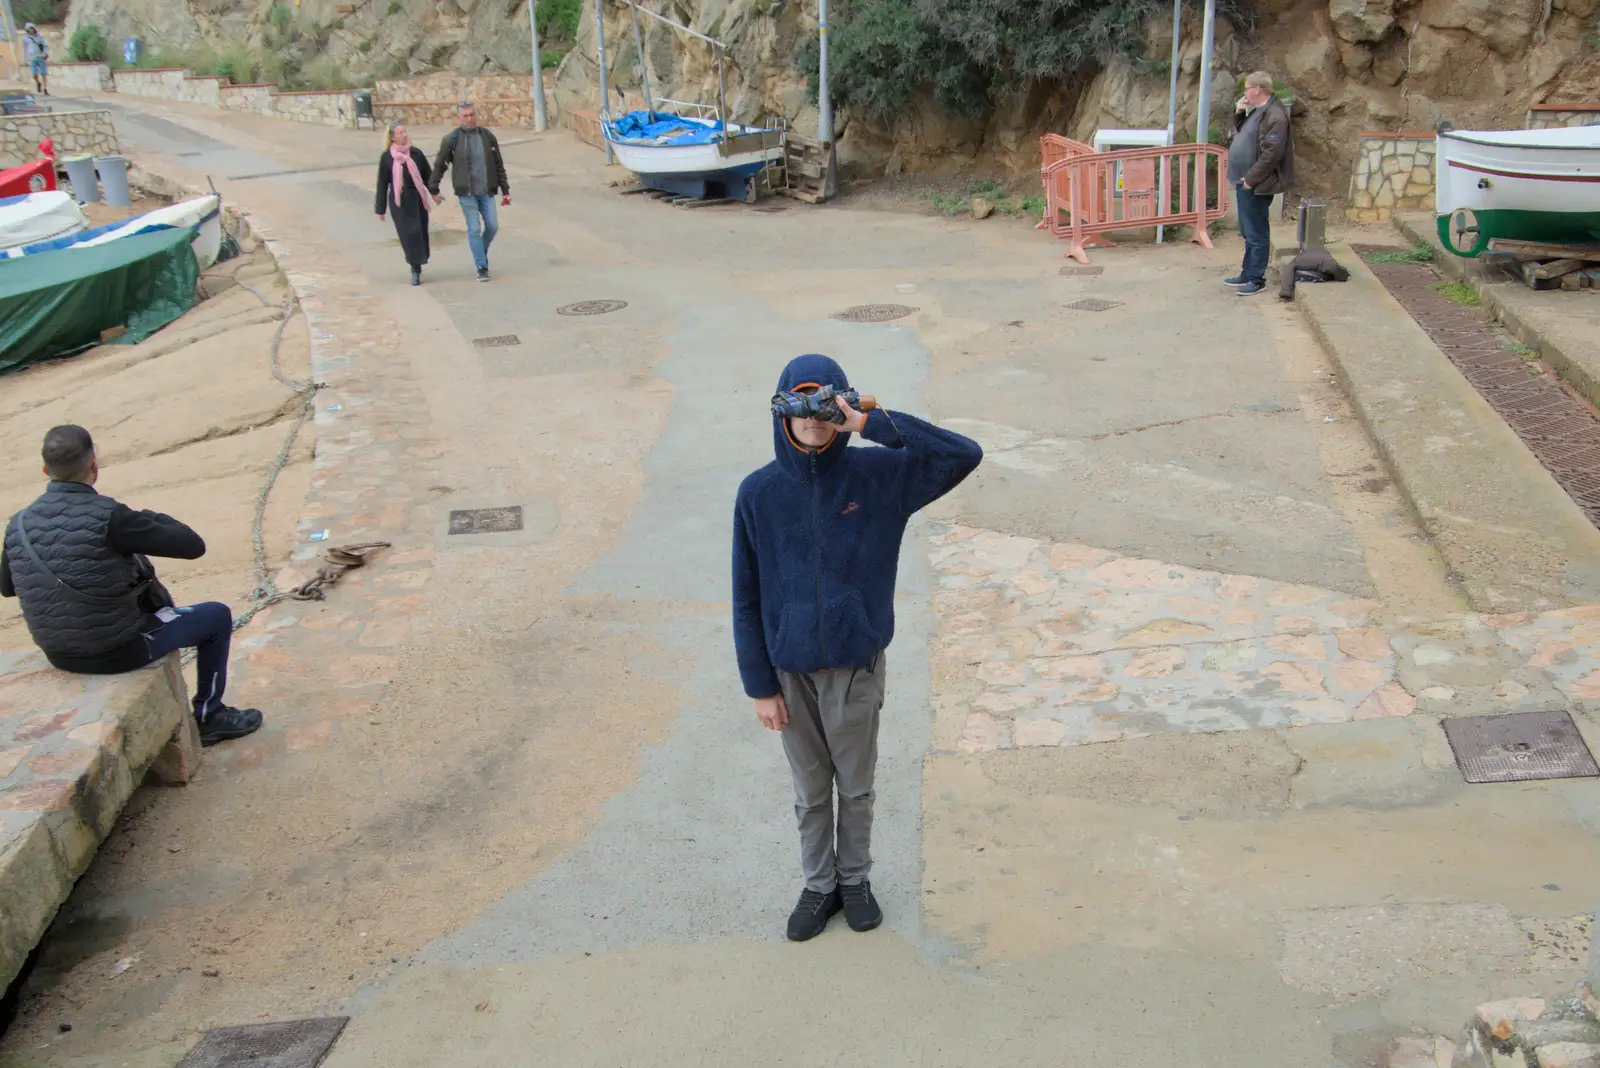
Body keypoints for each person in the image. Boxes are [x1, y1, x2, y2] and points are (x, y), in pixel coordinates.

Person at [733, 354, 982, 942]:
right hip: (789, 672)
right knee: (811, 792)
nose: (815, 422)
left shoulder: (879, 479)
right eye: (803, 409)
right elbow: (745, 596)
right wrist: (759, 685)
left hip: (855, 667)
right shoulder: (759, 494)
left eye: (828, 409)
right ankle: (819, 886)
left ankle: (855, 881)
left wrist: (872, 423)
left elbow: (961, 454)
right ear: (781, 414)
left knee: (857, 785)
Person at [0, 426, 263, 747]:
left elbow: (8, 587)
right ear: (94, 466)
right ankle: (211, 715)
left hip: (57, 653)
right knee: (216, 617)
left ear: (45, 471)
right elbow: (193, 546)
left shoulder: (18, 523)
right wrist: (150, 516)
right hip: (117, 651)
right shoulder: (112, 517)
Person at [1224, 71, 1295, 297]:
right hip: (1245, 180)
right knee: (1248, 229)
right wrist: (1239, 112)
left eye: (1247, 88)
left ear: (1257, 89)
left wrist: (1250, 180)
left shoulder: (1276, 115)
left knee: (1256, 231)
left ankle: (1256, 278)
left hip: (1256, 183)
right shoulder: (1259, 111)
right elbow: (1242, 133)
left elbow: (1271, 155)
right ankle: (1247, 272)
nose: (1244, 92)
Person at [428, 102, 510, 282]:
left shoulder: (487, 137)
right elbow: (440, 165)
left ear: (476, 115)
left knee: (493, 226)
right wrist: (433, 187)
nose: (469, 118)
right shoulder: (452, 139)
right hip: (467, 193)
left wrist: (505, 190)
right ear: (459, 118)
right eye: (465, 116)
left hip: (487, 190)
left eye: (472, 114)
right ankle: (482, 266)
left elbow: (498, 164)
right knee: (474, 229)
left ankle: (480, 252)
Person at [375, 122, 433, 287]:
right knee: (408, 235)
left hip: (418, 199)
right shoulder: (387, 157)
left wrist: (434, 192)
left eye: (405, 132)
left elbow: (427, 176)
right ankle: (415, 269)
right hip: (399, 202)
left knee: (420, 232)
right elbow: (382, 183)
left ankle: (420, 261)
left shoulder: (416, 153)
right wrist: (380, 208)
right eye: (400, 133)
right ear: (392, 137)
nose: (404, 135)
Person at [22, 24, 48, 97]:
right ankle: (38, 82)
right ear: (27, 30)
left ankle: (45, 89)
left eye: (32, 28)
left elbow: (45, 46)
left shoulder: (40, 37)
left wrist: (44, 54)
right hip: (32, 58)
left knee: (44, 74)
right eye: (30, 29)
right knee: (34, 74)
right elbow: (24, 49)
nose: (31, 30)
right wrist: (24, 60)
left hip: (40, 58)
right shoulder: (25, 38)